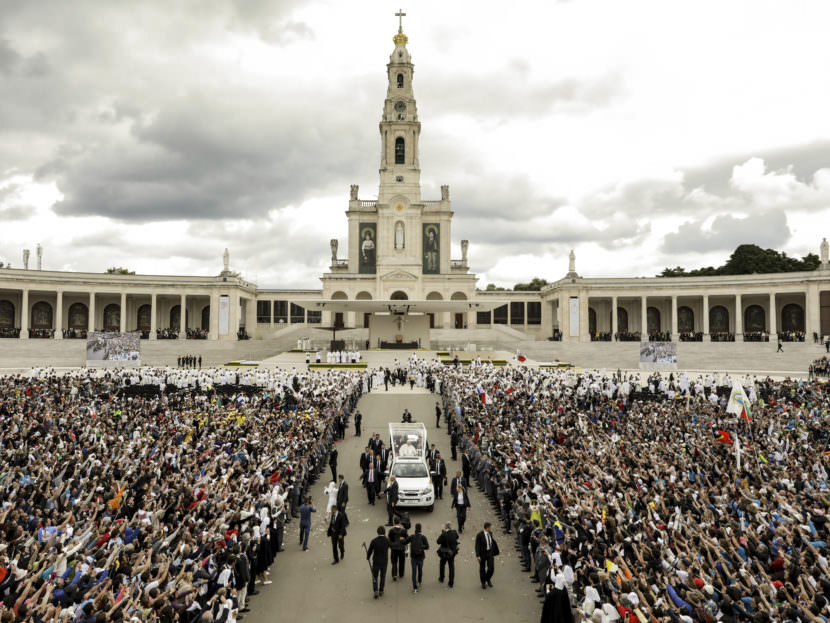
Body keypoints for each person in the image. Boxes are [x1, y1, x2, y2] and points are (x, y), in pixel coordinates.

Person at [366, 526, 390, 599]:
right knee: (383, 576)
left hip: (376, 562)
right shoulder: (387, 540)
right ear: (384, 532)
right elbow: (391, 546)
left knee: (375, 576)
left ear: (377, 532)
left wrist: (368, 557)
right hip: (384, 562)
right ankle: (381, 590)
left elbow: (370, 550)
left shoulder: (374, 541)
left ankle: (375, 590)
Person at [475, 522, 499, 589]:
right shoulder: (479, 535)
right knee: (482, 569)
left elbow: (492, 542)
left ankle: (487, 579)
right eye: (490, 527)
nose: (491, 528)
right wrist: (478, 555)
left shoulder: (490, 533)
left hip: (490, 552)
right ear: (487, 527)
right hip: (482, 553)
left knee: (491, 568)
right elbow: (477, 546)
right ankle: (483, 583)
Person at [406, 523, 429, 593]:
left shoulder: (412, 536)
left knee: (414, 572)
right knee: (420, 570)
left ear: (415, 528)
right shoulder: (423, 537)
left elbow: (405, 542)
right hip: (421, 557)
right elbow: (427, 547)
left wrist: (401, 539)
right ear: (420, 529)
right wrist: (422, 547)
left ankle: (415, 587)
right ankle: (419, 581)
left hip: (413, 557)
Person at [437, 522, 459, 587]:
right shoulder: (454, 532)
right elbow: (457, 537)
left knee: (442, 564)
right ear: (450, 527)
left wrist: (442, 534)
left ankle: (442, 578)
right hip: (452, 553)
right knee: (451, 566)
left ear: (445, 527)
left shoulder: (444, 534)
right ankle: (451, 582)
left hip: (444, 553)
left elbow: (438, 541)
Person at [388, 517, 408, 581]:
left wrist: (391, 546)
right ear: (399, 522)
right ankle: (401, 574)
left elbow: (389, 540)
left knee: (394, 562)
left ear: (394, 523)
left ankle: (394, 574)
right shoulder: (403, 530)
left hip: (394, 549)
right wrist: (404, 539)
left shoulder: (391, 531)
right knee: (402, 562)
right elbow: (407, 539)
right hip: (401, 548)